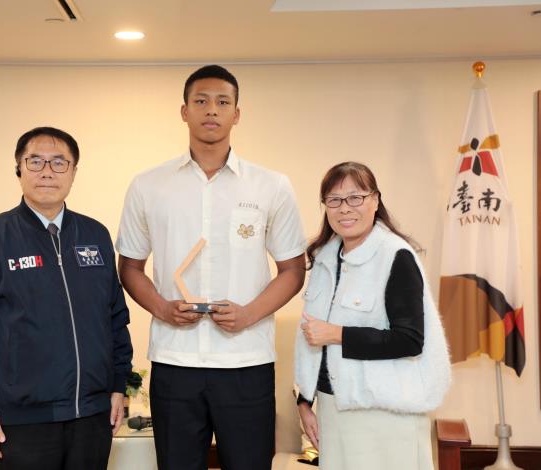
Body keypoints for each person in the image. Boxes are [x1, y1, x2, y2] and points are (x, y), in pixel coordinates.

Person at [116, 65, 307, 470]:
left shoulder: (271, 185)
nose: (211, 110)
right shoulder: (148, 184)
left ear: (237, 114)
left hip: (246, 361)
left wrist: (249, 314)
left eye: (223, 102)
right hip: (175, 360)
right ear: (184, 111)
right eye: (201, 101)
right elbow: (130, 266)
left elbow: (293, 269)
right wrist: (162, 308)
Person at [0, 127, 133, 470]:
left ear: (74, 172)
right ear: (18, 169)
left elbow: (115, 318)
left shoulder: (95, 235)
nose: (47, 171)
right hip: (22, 421)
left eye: (59, 162)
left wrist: (118, 386)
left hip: (93, 415)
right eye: (35, 161)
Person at [294, 161, 451, 470]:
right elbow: (310, 339)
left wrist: (338, 334)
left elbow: (409, 340)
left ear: (375, 200)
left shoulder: (396, 255)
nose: (345, 208)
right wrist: (304, 401)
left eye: (356, 197)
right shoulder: (324, 259)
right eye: (334, 200)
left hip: (384, 414)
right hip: (332, 409)